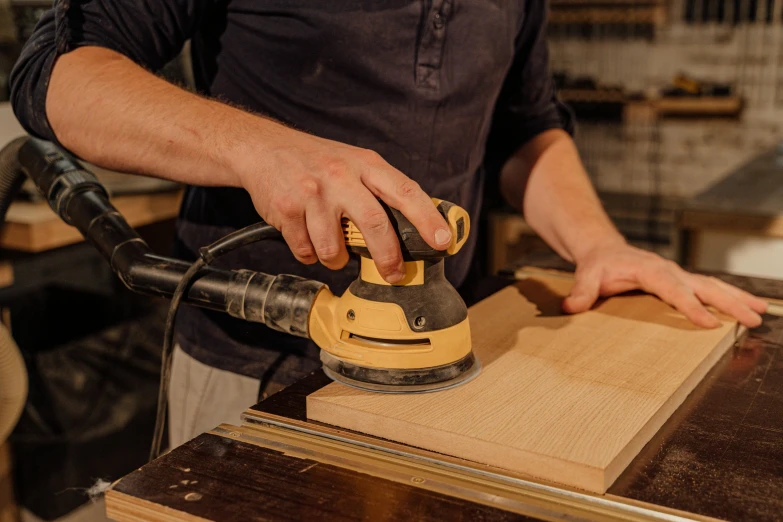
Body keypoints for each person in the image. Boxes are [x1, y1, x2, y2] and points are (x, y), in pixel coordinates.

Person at [10, 0, 767, 448]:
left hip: (450, 360)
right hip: (247, 355)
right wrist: (262, 150)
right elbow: (56, 75)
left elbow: (525, 126)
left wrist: (599, 245)